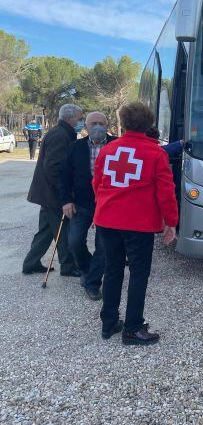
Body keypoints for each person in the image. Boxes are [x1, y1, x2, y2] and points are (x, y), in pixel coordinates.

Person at [93, 101, 178, 345]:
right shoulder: (156, 154)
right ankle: (132, 328)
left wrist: (102, 207)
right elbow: (166, 192)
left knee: (112, 270)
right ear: (149, 124)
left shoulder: (108, 151)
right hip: (138, 224)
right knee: (139, 274)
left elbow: (97, 184)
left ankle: (108, 323)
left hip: (107, 220)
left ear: (122, 123)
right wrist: (171, 222)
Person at [22, 104, 84, 276]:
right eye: (79, 119)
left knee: (46, 230)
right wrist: (65, 193)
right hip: (52, 194)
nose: (81, 122)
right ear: (70, 118)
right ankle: (68, 265)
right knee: (62, 230)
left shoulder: (61, 132)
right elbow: (53, 167)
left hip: (46, 192)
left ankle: (30, 263)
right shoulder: (61, 135)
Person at [60, 112, 116, 300]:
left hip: (108, 205)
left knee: (103, 246)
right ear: (86, 126)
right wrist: (66, 200)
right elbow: (64, 176)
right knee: (74, 242)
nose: (98, 127)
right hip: (82, 204)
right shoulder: (75, 147)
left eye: (101, 123)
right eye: (94, 123)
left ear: (107, 125)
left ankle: (92, 283)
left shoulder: (117, 146)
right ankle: (89, 269)